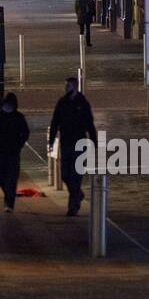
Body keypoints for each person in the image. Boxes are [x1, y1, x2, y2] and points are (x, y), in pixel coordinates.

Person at [48, 76, 98, 216]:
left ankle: (72, 208)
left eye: (68, 86)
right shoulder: (62, 103)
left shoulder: (83, 103)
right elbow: (54, 123)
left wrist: (94, 142)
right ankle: (78, 194)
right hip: (65, 143)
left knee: (76, 176)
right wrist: (51, 141)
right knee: (65, 174)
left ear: (75, 87)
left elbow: (90, 124)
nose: (66, 89)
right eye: (65, 86)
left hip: (80, 144)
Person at [0, 93, 30, 211]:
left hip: (14, 152)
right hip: (1, 151)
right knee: (0, 177)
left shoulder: (18, 117)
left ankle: (9, 203)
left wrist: (19, 144)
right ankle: (9, 195)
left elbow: (25, 132)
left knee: (12, 178)